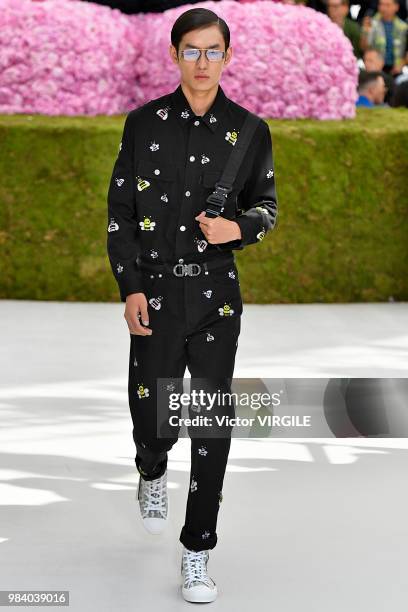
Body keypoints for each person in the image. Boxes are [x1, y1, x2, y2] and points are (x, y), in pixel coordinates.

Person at [106, 7, 278, 604]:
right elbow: (120, 215)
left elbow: (268, 207)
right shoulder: (142, 124)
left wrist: (241, 230)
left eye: (213, 51)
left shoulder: (250, 131)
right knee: (153, 414)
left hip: (215, 298)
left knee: (211, 422)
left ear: (228, 57)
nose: (202, 62)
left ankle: (197, 549)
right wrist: (129, 287)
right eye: (192, 51)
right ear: (175, 55)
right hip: (153, 294)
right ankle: (150, 469)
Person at [360, 0, 408, 75]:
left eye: (387, 5)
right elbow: (364, 48)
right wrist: (365, 33)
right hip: (375, 68)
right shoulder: (370, 24)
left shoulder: (403, 27)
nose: (383, 8)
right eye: (381, 4)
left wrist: (402, 64)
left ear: (396, 7)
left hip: (396, 70)